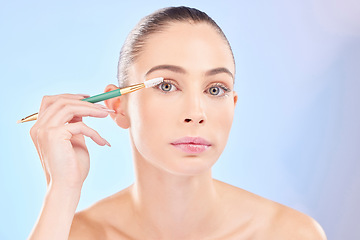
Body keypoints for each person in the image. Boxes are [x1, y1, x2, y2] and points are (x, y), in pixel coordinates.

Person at [28, 6, 327, 240]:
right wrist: (62, 191)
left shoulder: (290, 234)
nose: (196, 113)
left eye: (215, 89)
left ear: (232, 105)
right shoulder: (72, 234)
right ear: (119, 106)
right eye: (167, 85)